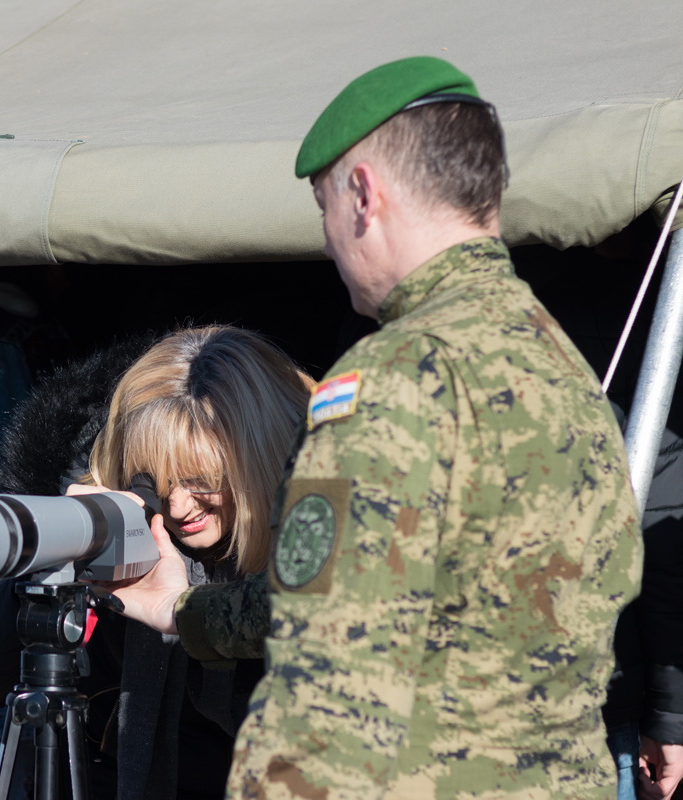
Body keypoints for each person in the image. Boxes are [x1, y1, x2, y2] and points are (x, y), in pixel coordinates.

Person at [112, 57, 643, 799]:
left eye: (322, 209)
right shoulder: (560, 366)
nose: (328, 244)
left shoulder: (394, 381)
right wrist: (184, 612)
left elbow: (325, 645)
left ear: (364, 195)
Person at [0, 326, 312, 800]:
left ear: (261, 462)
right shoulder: (101, 507)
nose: (179, 508)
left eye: (203, 480)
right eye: (157, 481)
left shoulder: (328, 534)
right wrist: (63, 551)